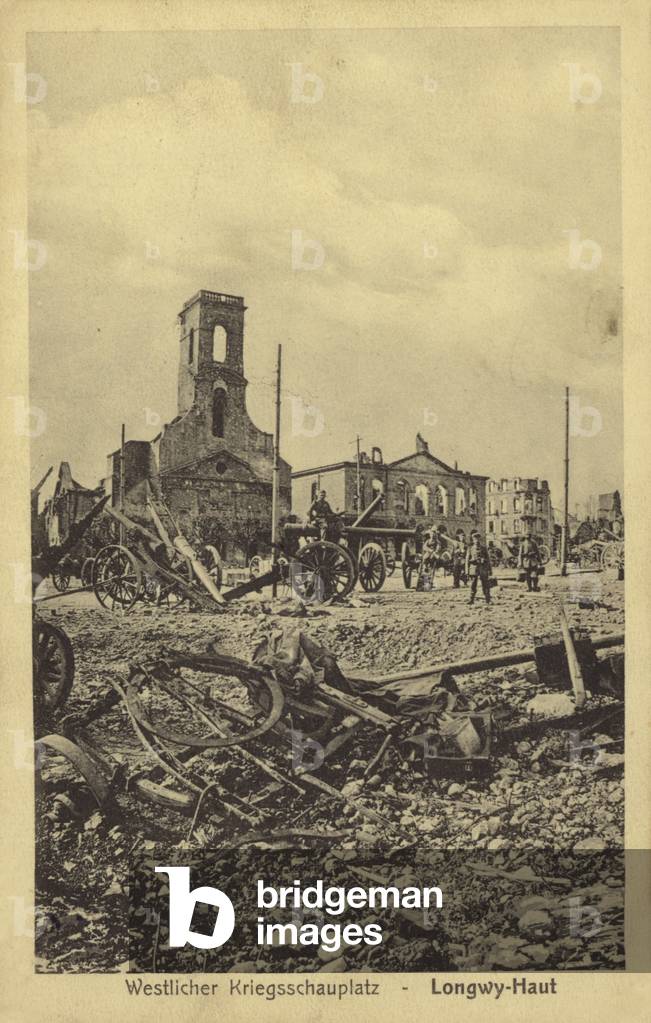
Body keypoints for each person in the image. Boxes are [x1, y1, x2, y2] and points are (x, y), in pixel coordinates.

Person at [465, 530, 493, 604]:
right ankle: (471, 599)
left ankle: (488, 599)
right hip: (474, 569)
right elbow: (467, 560)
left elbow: (488, 559)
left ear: (479, 539)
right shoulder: (470, 549)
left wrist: (489, 569)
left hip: (483, 569)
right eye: (475, 539)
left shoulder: (484, 548)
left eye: (478, 539)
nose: (476, 541)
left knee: (486, 584)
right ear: (473, 540)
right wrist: (467, 571)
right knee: (473, 585)